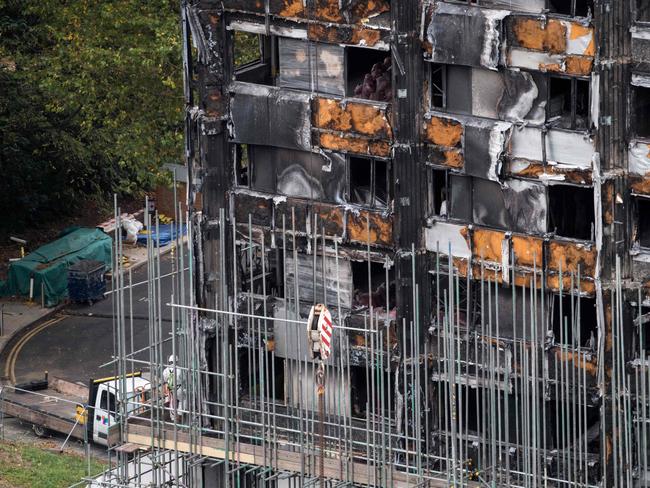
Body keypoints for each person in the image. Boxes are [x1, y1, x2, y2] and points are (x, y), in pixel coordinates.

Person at [162, 355, 183, 422]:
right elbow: (184, 379)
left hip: (171, 388)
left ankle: (173, 418)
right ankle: (179, 414)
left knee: (172, 403)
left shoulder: (166, 370)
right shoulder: (180, 369)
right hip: (179, 387)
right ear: (177, 361)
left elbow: (164, 380)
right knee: (182, 400)